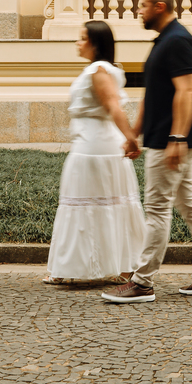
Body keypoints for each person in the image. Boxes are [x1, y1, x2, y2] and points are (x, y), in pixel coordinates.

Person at [102, 0, 192, 303]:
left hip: (171, 141)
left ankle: (142, 282)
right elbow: (153, 94)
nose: (138, 11)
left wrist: (177, 137)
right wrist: (133, 133)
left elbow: (187, 91)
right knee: (191, 207)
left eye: (142, 6)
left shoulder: (178, 40)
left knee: (157, 210)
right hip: (163, 138)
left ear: (159, 6)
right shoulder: (164, 41)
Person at [44, 20, 145, 285]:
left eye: (81, 38)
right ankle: (79, 268)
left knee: (91, 204)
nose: (77, 43)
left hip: (96, 148)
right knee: (94, 204)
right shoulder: (96, 70)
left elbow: (113, 106)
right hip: (90, 144)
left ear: (95, 43)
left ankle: (111, 268)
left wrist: (131, 138)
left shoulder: (99, 70)